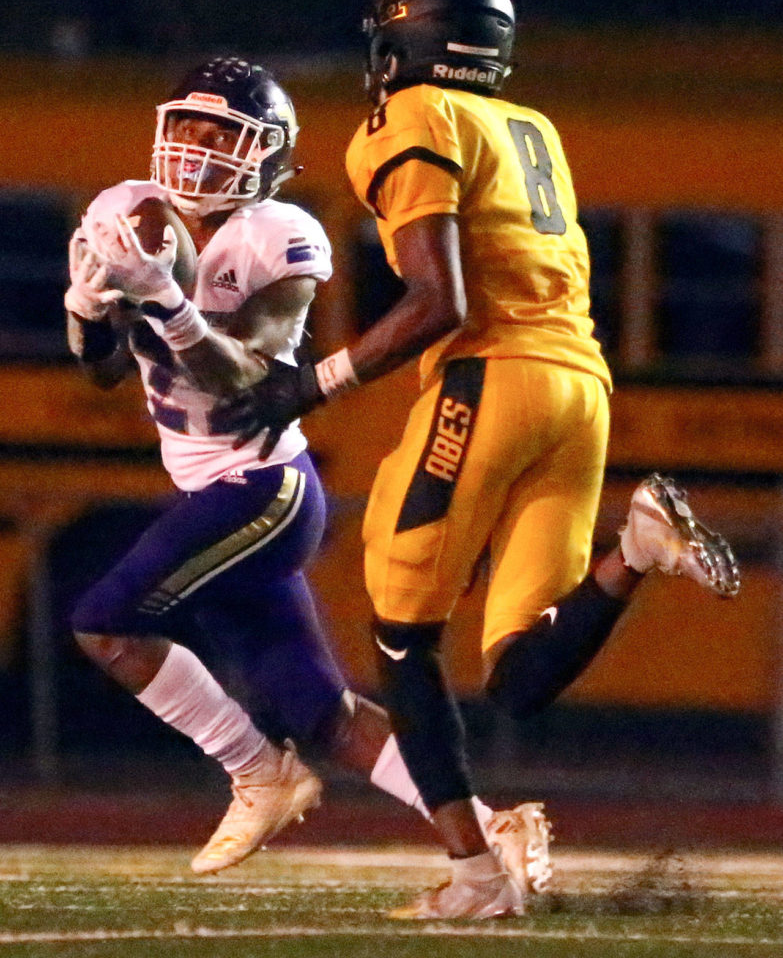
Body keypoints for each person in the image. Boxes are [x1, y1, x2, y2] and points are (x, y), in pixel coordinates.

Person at [214, 0, 741, 920]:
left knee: (400, 634)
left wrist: (314, 382)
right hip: (581, 388)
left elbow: (438, 300)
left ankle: (474, 874)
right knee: (514, 677)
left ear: (408, 43)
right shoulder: (529, 126)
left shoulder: (411, 119)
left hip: (488, 376)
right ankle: (635, 551)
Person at [63, 55, 553, 890]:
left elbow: (248, 381)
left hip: (262, 488)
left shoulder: (277, 237)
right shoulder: (127, 212)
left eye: (221, 134)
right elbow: (106, 371)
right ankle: (487, 832)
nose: (195, 148)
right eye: (186, 126)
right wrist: (85, 311)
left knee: (104, 622)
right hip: (208, 484)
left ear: (265, 153)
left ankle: (255, 774)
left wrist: (168, 303)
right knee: (322, 713)